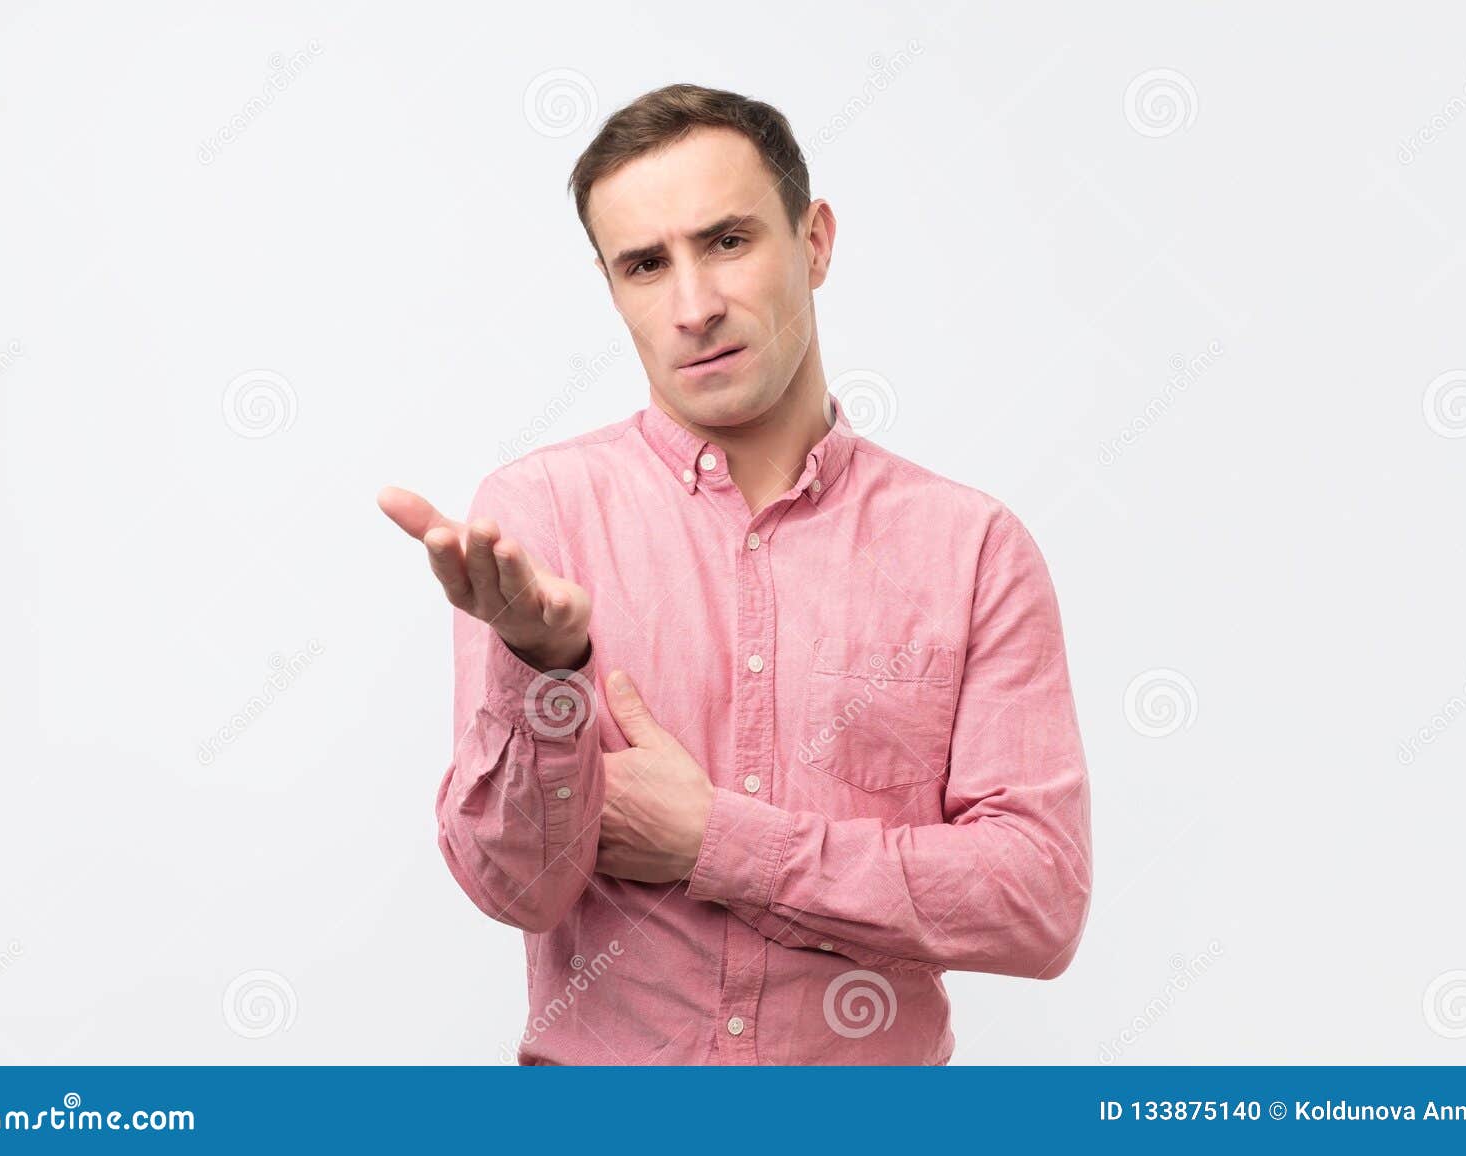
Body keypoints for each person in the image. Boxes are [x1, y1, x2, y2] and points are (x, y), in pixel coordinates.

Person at [377, 83, 1092, 1065]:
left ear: (814, 243)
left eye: (727, 241)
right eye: (644, 264)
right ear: (612, 288)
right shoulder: (538, 518)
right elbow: (516, 888)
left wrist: (717, 838)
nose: (694, 306)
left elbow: (1037, 901)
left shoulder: (970, 548)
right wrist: (547, 670)